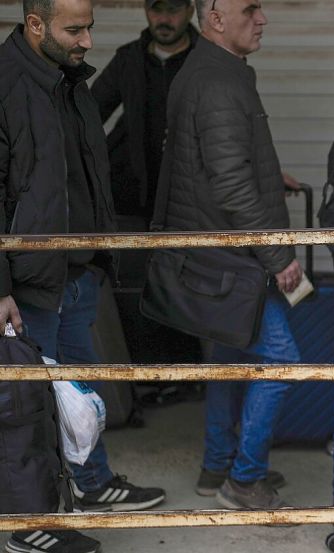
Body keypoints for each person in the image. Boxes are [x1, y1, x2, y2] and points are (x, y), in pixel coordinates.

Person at [0, 0, 168, 529]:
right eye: (74, 29)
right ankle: (37, 520)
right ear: (34, 25)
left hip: (77, 274)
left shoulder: (69, 82)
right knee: (33, 411)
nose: (87, 41)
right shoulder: (5, 86)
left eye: (89, 28)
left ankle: (93, 485)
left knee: (82, 397)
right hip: (29, 281)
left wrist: (100, 256)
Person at [158, 0, 302, 510]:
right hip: (232, 255)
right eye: (249, 9)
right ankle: (243, 480)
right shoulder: (220, 82)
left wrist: (269, 179)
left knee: (228, 354)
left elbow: (219, 161)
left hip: (215, 250)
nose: (261, 18)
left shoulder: (211, 71)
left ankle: (216, 466)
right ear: (215, 18)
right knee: (283, 361)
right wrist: (278, 256)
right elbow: (230, 183)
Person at [91, 0, 197, 224]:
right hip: (129, 196)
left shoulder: (204, 61)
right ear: (146, 11)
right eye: (156, 10)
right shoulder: (129, 58)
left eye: (173, 10)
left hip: (190, 198)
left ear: (190, 11)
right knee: (131, 258)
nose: (164, 20)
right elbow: (88, 115)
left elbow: (234, 124)